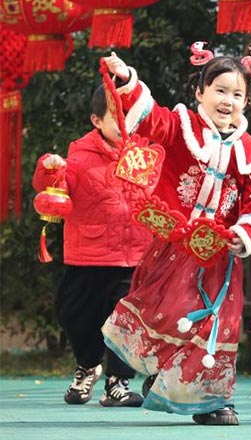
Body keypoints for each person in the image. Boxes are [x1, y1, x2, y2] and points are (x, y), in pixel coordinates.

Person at [100, 46, 251, 425]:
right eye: (220, 90)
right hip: (174, 248)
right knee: (169, 315)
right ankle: (164, 375)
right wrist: (128, 79)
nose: (228, 101)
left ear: (246, 100)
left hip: (221, 259)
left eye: (238, 94)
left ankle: (212, 402)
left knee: (218, 324)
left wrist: (244, 234)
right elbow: (149, 119)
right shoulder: (181, 127)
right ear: (199, 92)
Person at [32, 85, 151, 408]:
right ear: (96, 120)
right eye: (118, 117)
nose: (126, 123)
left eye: (132, 116)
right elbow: (54, 192)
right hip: (88, 254)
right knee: (71, 311)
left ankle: (118, 381)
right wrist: (50, 168)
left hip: (134, 255)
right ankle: (87, 365)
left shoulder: (147, 151)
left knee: (125, 320)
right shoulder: (79, 154)